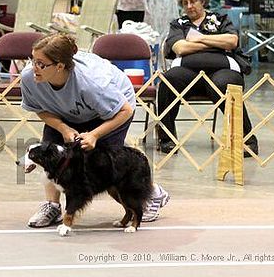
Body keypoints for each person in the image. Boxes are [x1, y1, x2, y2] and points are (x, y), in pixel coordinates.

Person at [21, 33, 170, 228]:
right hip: (66, 112)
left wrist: (94, 134)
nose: (34, 67)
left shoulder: (92, 83)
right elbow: (40, 108)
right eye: (32, 60)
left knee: (104, 167)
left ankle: (153, 192)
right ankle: (52, 206)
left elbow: (125, 111)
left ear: (59, 66)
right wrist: (63, 127)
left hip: (113, 111)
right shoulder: (29, 77)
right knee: (53, 156)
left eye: (41, 63)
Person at [157, 0, 258, 157]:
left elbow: (232, 41)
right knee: (167, 82)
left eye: (193, 1)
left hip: (223, 71)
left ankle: (247, 140)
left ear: (202, 0)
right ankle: (167, 139)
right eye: (185, 2)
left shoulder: (220, 19)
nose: (189, 6)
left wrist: (198, 39)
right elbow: (180, 48)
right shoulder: (178, 24)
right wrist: (215, 43)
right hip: (187, 73)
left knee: (226, 85)